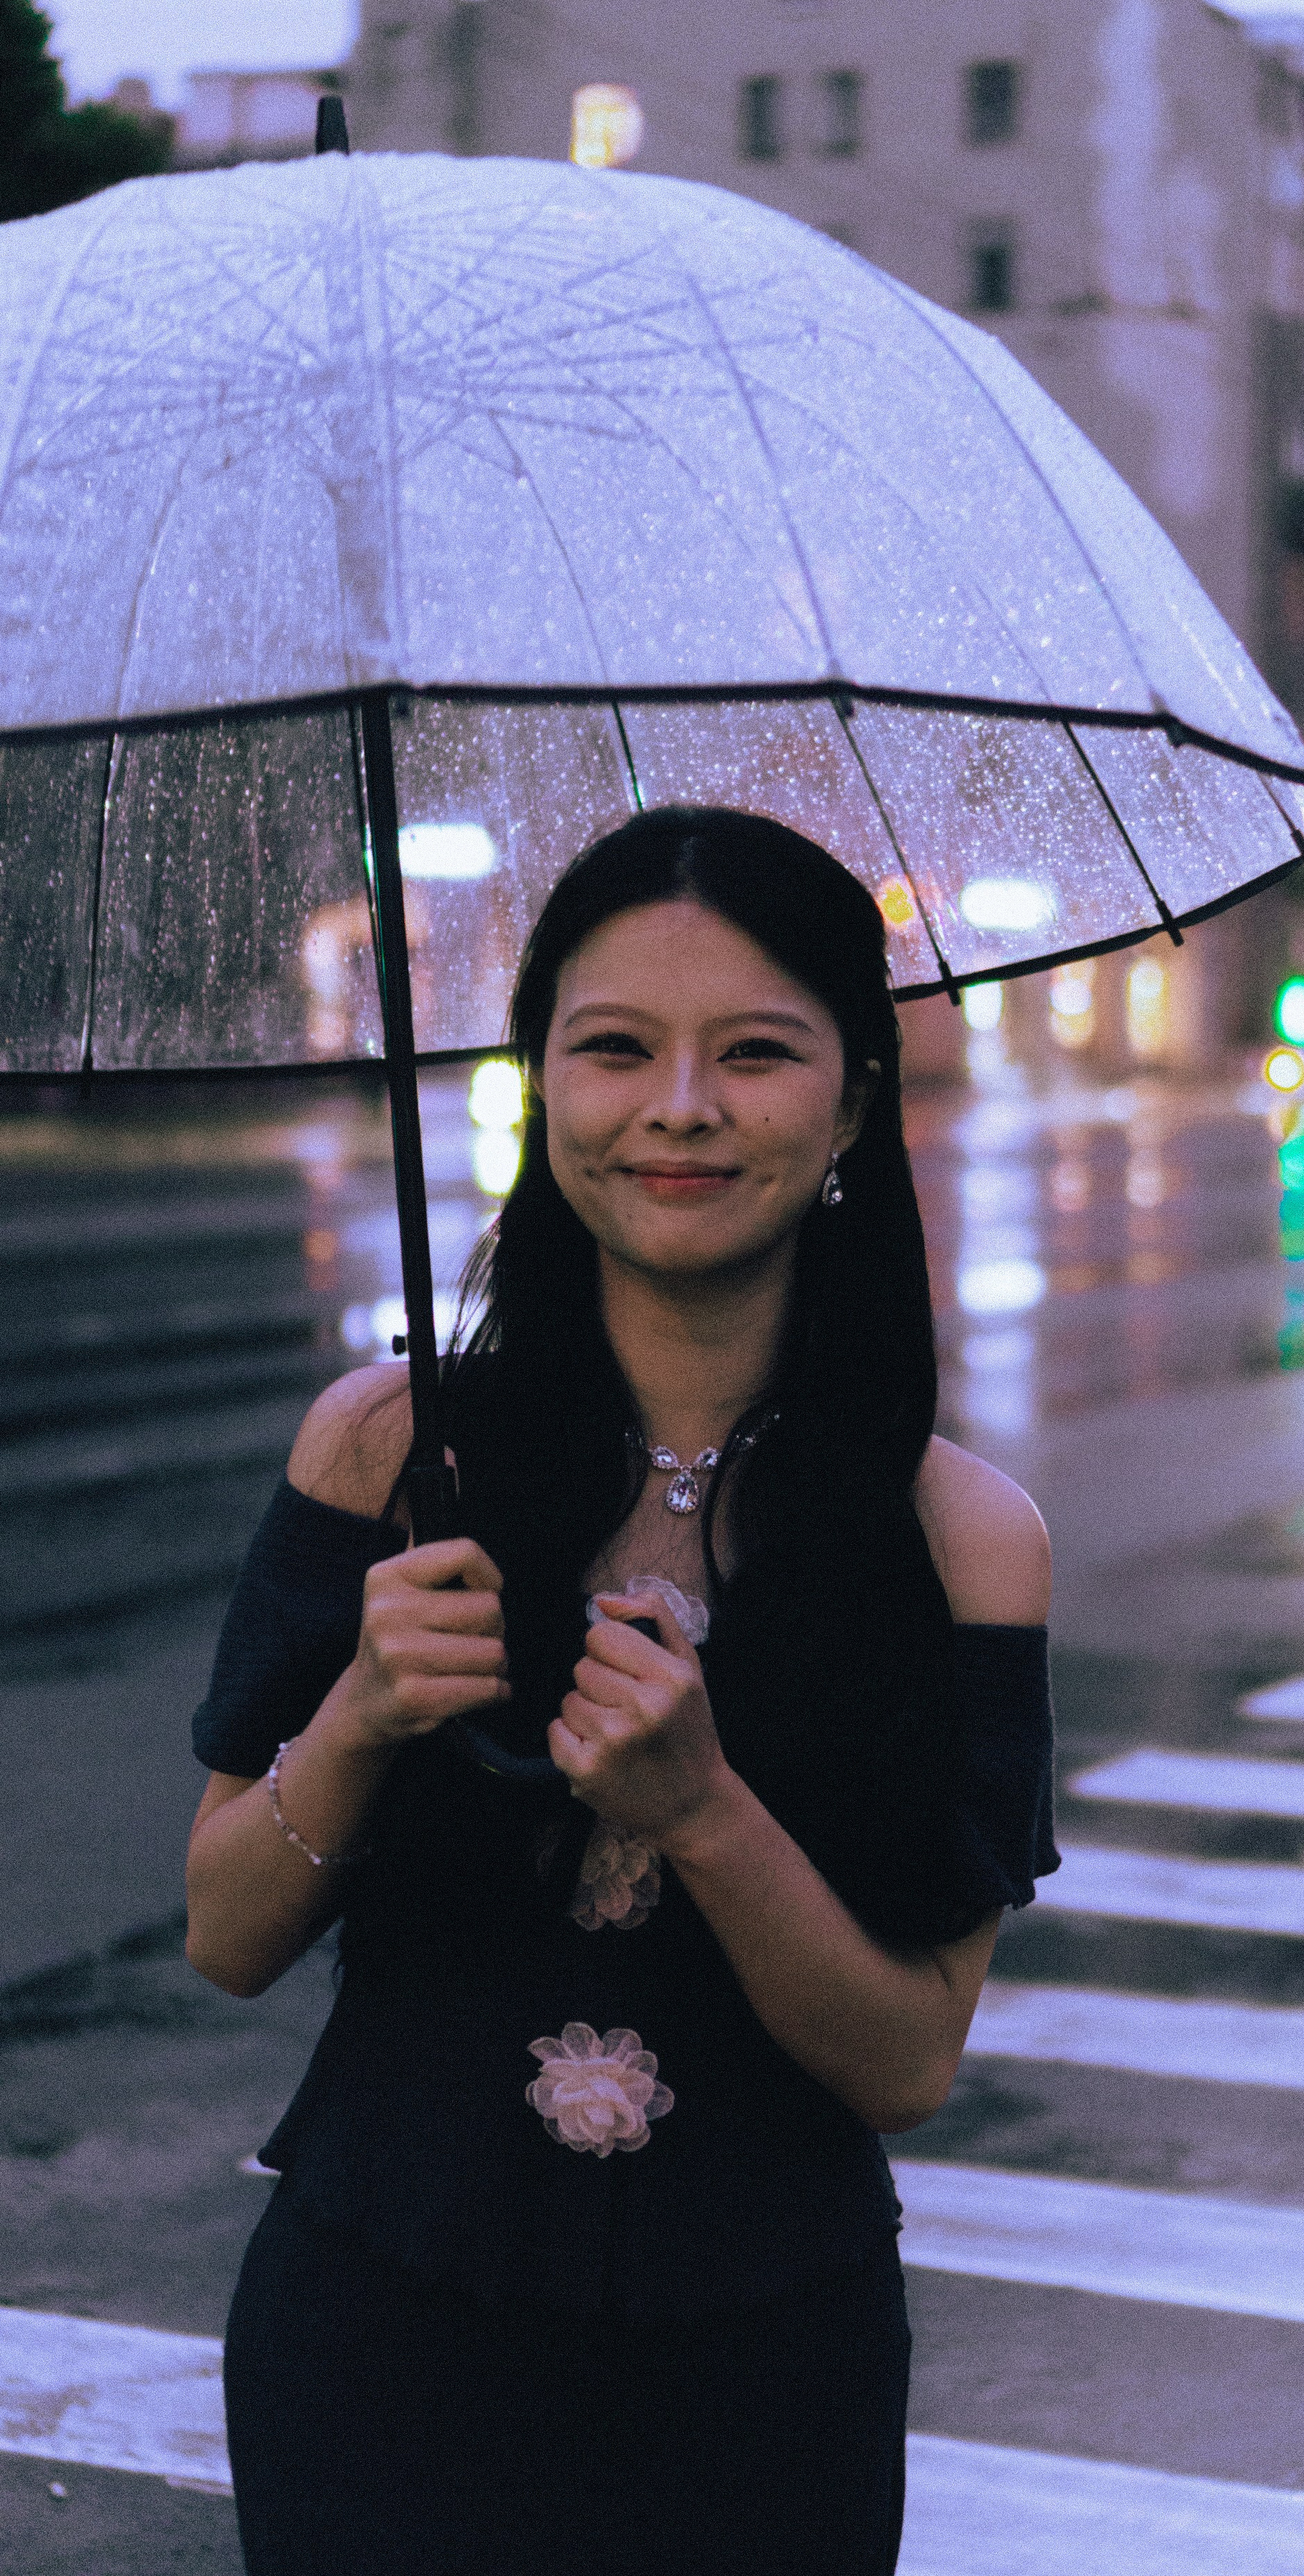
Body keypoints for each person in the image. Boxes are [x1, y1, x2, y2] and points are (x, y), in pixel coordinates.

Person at [184, 804, 1058, 2576]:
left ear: (853, 1101)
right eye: (611, 1050)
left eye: (753, 1052)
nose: (677, 1107)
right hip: (379, 2334)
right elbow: (223, 1930)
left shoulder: (960, 1539)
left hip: (760, 2374)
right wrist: (356, 1715)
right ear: (541, 1089)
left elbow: (906, 2060)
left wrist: (704, 1815)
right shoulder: (385, 1451)